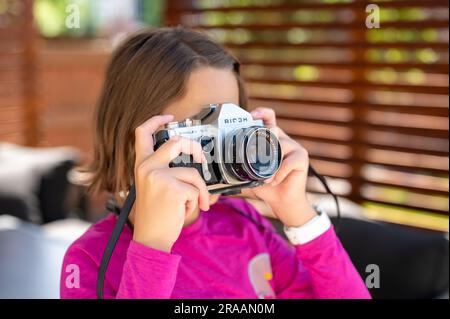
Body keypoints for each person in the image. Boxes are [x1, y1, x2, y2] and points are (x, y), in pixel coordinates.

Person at [60, 27, 371, 299]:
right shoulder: (90, 260)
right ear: (138, 139)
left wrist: (301, 216)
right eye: (205, 129)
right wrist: (151, 247)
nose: (228, 148)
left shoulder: (245, 224)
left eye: (233, 127)